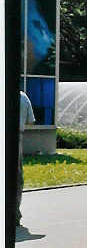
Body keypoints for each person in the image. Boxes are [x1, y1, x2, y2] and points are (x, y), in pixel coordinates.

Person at [17, 91, 35, 226]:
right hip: (16, 137)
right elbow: (30, 121)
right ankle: (14, 213)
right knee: (16, 179)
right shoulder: (23, 97)